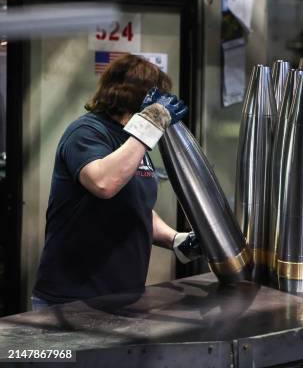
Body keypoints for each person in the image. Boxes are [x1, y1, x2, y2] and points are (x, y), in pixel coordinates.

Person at [32, 55, 201, 311]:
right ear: (134, 95)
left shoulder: (130, 140)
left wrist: (175, 239)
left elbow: (134, 203)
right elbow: (104, 183)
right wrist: (149, 125)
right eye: (154, 96)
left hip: (123, 296)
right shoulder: (86, 132)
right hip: (73, 300)